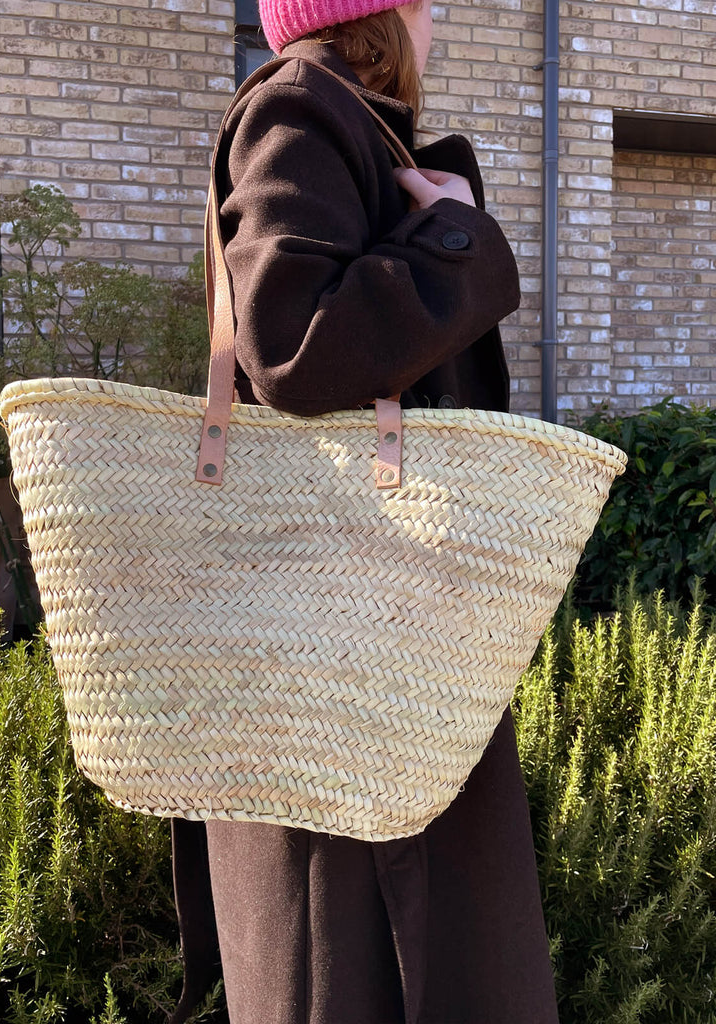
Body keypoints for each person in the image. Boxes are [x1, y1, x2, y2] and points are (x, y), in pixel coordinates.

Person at [170, 0, 560, 1021]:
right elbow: (293, 341)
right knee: (342, 961)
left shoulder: (347, 121)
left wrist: (443, 217)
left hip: (372, 634)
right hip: (334, 646)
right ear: (379, 15)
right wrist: (447, 235)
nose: (440, 23)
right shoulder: (298, 109)